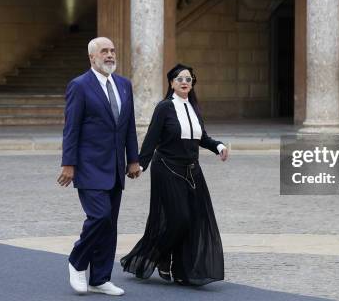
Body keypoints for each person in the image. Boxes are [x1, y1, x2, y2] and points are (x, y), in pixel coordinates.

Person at [120, 63, 229, 286]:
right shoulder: (164, 108)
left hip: (192, 171)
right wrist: (140, 165)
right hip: (167, 168)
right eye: (179, 79)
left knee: (193, 220)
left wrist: (218, 146)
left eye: (188, 79)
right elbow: (151, 138)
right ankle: (157, 255)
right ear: (171, 83)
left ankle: (181, 269)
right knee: (179, 218)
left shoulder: (194, 108)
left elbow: (201, 137)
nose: (184, 82)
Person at [57, 37, 142, 296]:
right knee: (100, 217)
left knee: (110, 223)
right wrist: (68, 164)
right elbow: (71, 128)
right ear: (92, 57)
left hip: (116, 167)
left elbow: (128, 126)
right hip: (89, 166)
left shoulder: (124, 85)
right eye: (104, 51)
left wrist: (133, 159)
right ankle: (77, 261)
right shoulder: (80, 86)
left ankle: (100, 278)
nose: (109, 55)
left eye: (112, 51)